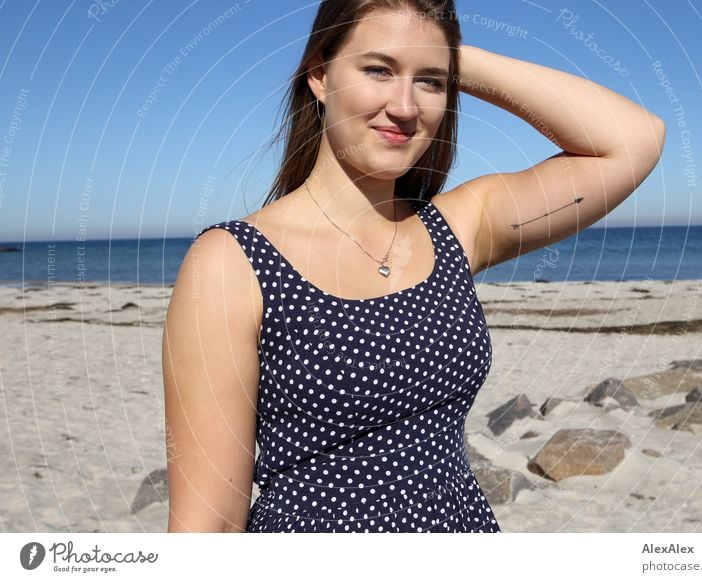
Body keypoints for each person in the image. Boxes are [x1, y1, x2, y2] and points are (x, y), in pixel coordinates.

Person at [162, 0, 665, 533]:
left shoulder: (459, 227)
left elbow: (633, 141)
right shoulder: (231, 262)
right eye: (377, 69)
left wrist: (449, 57)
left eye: (430, 83)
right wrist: (423, 57)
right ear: (320, 74)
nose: (404, 107)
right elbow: (207, 525)